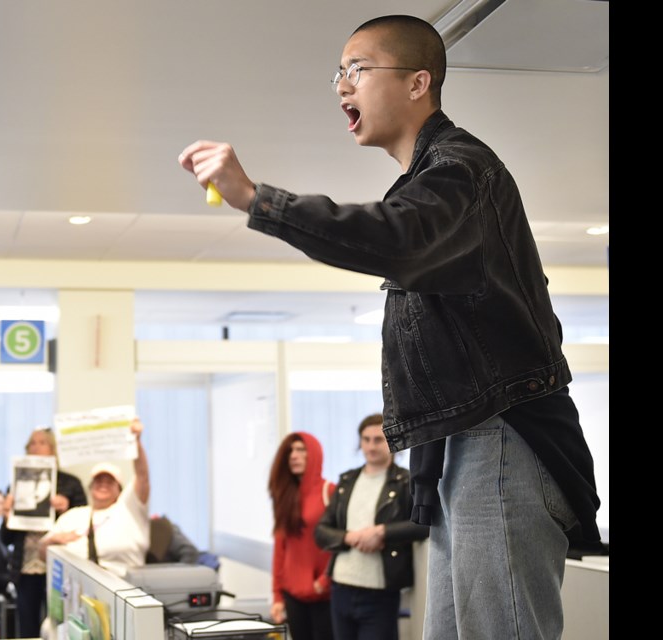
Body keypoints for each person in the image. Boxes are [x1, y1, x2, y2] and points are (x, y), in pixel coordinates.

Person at [179, 15, 600, 639]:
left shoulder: (462, 171)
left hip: (503, 439)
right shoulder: (433, 181)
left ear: (417, 82)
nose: (342, 85)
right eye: (338, 75)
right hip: (466, 443)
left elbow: (396, 238)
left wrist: (256, 199)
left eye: (358, 69)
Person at [315, 414, 430, 640]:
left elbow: (424, 525)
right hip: (341, 587)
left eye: (378, 439)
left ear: (391, 441)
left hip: (380, 592)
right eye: (366, 439)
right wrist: (349, 537)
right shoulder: (346, 481)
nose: (370, 446)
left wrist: (382, 533)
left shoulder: (405, 481)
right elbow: (321, 532)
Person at [1, 426, 87, 638]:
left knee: (60, 624)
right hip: (26, 567)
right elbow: (6, 539)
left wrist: (65, 511)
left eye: (42, 442)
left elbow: (85, 526)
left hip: (59, 568)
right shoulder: (15, 485)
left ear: (53, 448)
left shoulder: (70, 483)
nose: (36, 447)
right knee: (28, 626)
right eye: (32, 443)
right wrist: (6, 515)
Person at [39, 417, 150, 577]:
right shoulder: (72, 516)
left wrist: (136, 442)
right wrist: (52, 541)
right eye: (98, 480)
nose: (102, 484)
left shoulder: (128, 509)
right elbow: (42, 554)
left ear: (119, 490)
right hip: (79, 591)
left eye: (109, 481)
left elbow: (142, 476)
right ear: (90, 487)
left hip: (124, 587)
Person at [267, 432, 334, 640]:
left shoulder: (329, 491)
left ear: (313, 454)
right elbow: (280, 548)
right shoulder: (286, 496)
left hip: (325, 594)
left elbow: (338, 543)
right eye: (291, 451)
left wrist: (325, 580)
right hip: (293, 594)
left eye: (301, 450)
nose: (293, 456)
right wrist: (277, 595)